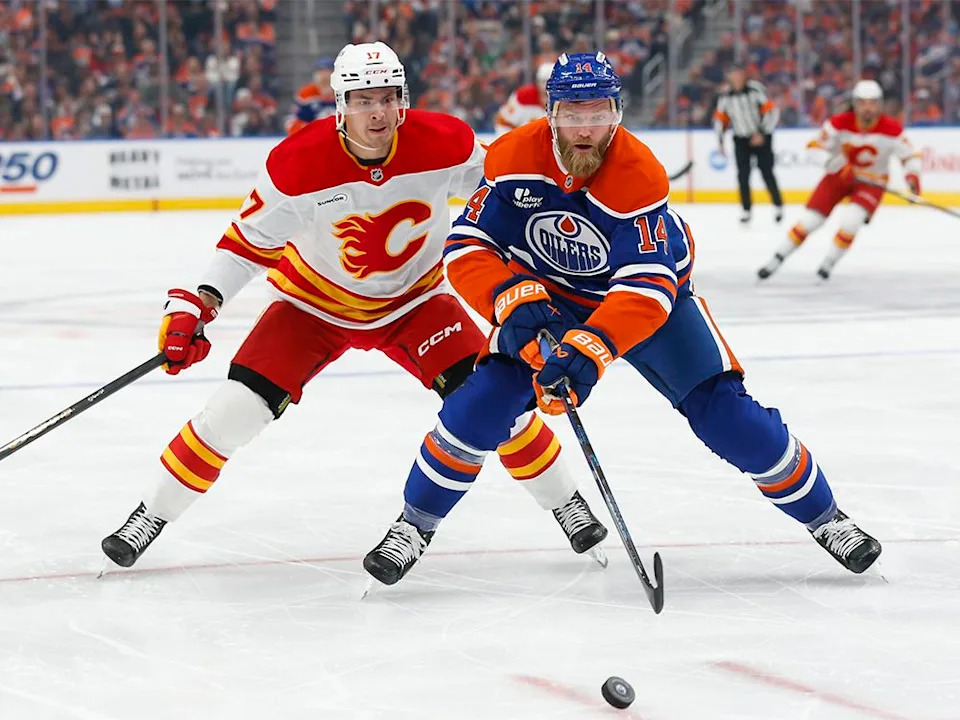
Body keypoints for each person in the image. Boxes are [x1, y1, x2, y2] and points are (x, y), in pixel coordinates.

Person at [364, 52, 882, 587]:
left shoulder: (638, 174)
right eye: (572, 114)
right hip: (551, 297)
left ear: (617, 113)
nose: (585, 129)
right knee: (480, 403)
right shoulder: (513, 157)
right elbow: (469, 244)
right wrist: (507, 297)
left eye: (598, 113)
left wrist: (591, 347)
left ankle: (828, 519)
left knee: (726, 417)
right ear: (550, 113)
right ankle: (413, 525)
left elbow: (646, 288)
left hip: (650, 304)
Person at [101, 42, 607, 569]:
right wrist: (198, 305)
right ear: (340, 105)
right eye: (364, 100)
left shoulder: (444, 142)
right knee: (233, 411)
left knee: (499, 408)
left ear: (402, 100)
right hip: (311, 306)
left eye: (387, 98)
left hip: (417, 302)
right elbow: (246, 245)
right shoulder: (296, 163)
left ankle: (567, 503)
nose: (378, 113)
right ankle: (150, 514)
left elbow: (508, 188)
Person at [757, 79, 922, 281]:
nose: (867, 108)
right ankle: (777, 257)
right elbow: (813, 148)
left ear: (879, 104)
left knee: (851, 221)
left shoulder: (893, 130)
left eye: (872, 103)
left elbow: (910, 157)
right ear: (855, 103)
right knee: (810, 221)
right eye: (862, 103)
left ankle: (828, 264)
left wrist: (912, 177)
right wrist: (833, 163)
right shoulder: (838, 123)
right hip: (838, 177)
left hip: (872, 182)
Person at [714, 67, 783, 224]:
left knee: (766, 172)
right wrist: (720, 141)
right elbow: (720, 120)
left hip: (761, 136)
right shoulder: (725, 96)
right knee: (743, 175)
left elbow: (771, 111)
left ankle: (778, 205)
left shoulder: (755, 89)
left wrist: (762, 132)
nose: (736, 79)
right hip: (741, 138)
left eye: (739, 75)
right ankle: (746, 210)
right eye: (733, 76)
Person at [493, 62, 553, 136]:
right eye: (543, 81)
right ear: (537, 82)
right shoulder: (523, 97)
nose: (546, 86)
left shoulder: (565, 101)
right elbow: (503, 122)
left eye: (551, 82)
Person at [286, 56, 337, 135]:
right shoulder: (306, 94)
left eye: (327, 71)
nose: (324, 76)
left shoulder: (344, 92)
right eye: (320, 72)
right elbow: (292, 123)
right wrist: (312, 131)